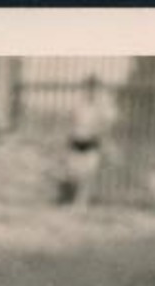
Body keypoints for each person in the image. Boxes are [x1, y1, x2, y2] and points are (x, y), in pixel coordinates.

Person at [61, 74, 116, 208]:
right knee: (74, 172)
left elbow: (105, 126)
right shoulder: (78, 105)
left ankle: (81, 202)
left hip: (92, 142)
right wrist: (67, 139)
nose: (91, 92)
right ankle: (70, 198)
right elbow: (70, 122)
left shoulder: (104, 107)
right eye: (88, 88)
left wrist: (105, 142)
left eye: (94, 89)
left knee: (88, 174)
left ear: (99, 90)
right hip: (76, 140)